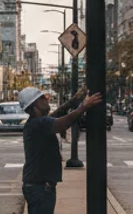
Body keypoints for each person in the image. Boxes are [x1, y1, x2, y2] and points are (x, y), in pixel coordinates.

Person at [17, 86, 102, 214]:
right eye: (42, 99)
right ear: (34, 106)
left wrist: (78, 97)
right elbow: (64, 122)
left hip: (40, 186)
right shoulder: (38, 123)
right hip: (40, 188)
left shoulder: (39, 122)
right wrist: (84, 106)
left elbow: (60, 112)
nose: (47, 99)